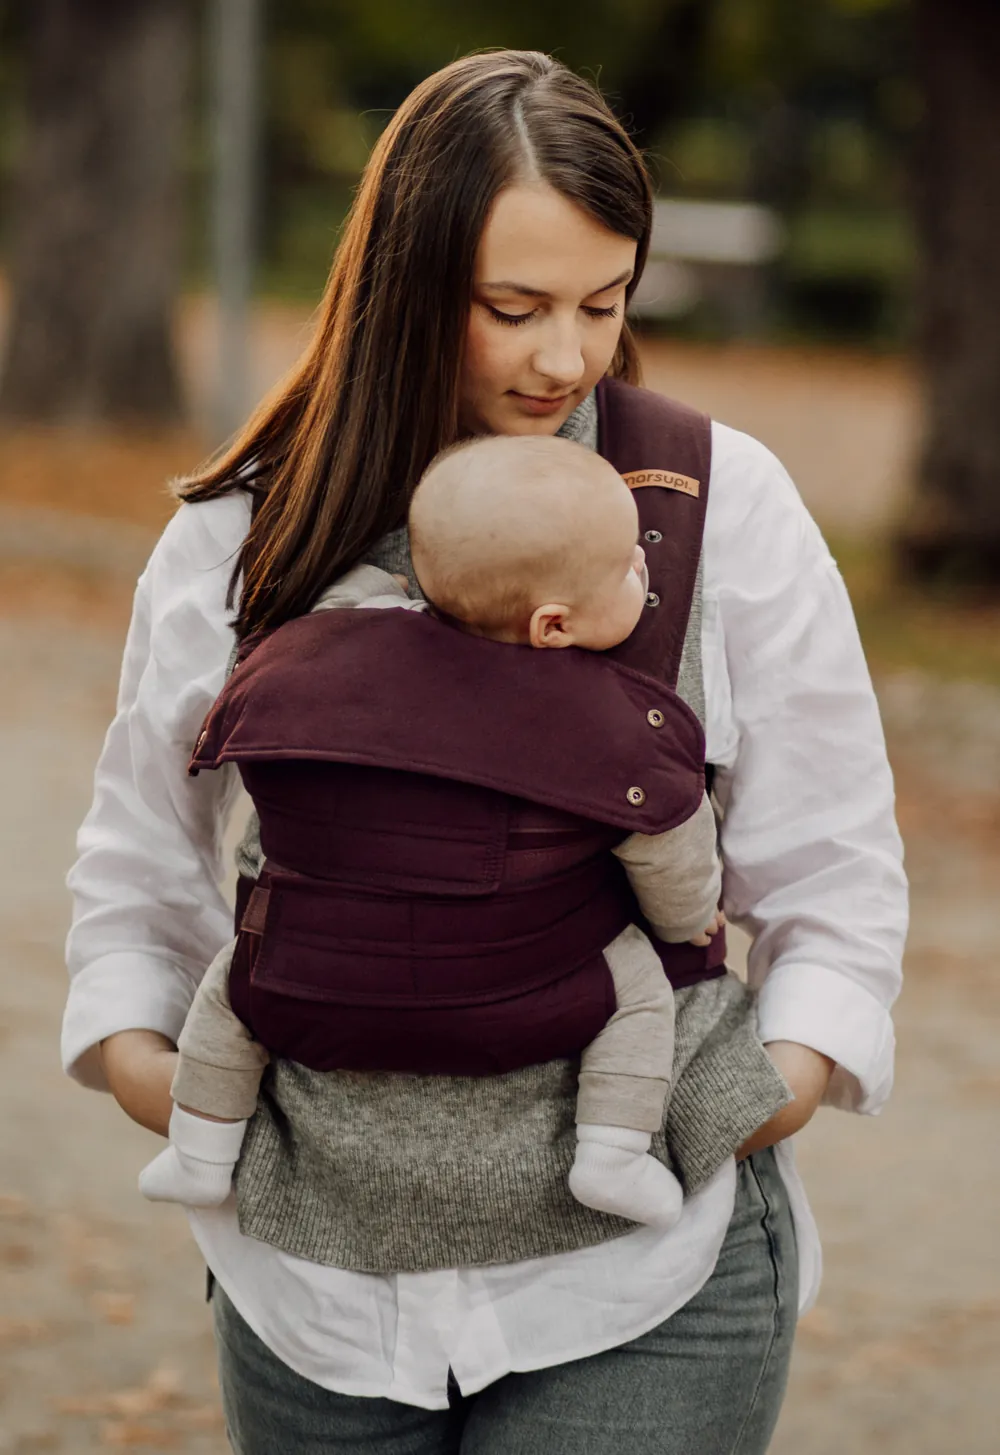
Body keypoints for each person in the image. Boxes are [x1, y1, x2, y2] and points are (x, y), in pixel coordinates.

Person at [63, 50, 907, 1455]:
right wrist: (176, 1081)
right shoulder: (247, 530)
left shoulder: (718, 505)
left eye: (603, 303)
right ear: (403, 285)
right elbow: (143, 858)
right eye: (512, 307)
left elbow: (833, 866)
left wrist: (776, 1087)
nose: (564, 357)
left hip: (644, 1284)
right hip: (310, 1292)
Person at [137, 434, 727, 1231]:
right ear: (553, 626)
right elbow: (671, 854)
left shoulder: (320, 652)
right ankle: (612, 1153)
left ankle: (201, 1151)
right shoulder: (610, 724)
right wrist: (690, 921)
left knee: (231, 984)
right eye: (626, 565)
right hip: (526, 992)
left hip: (307, 979)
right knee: (640, 993)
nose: (643, 570)